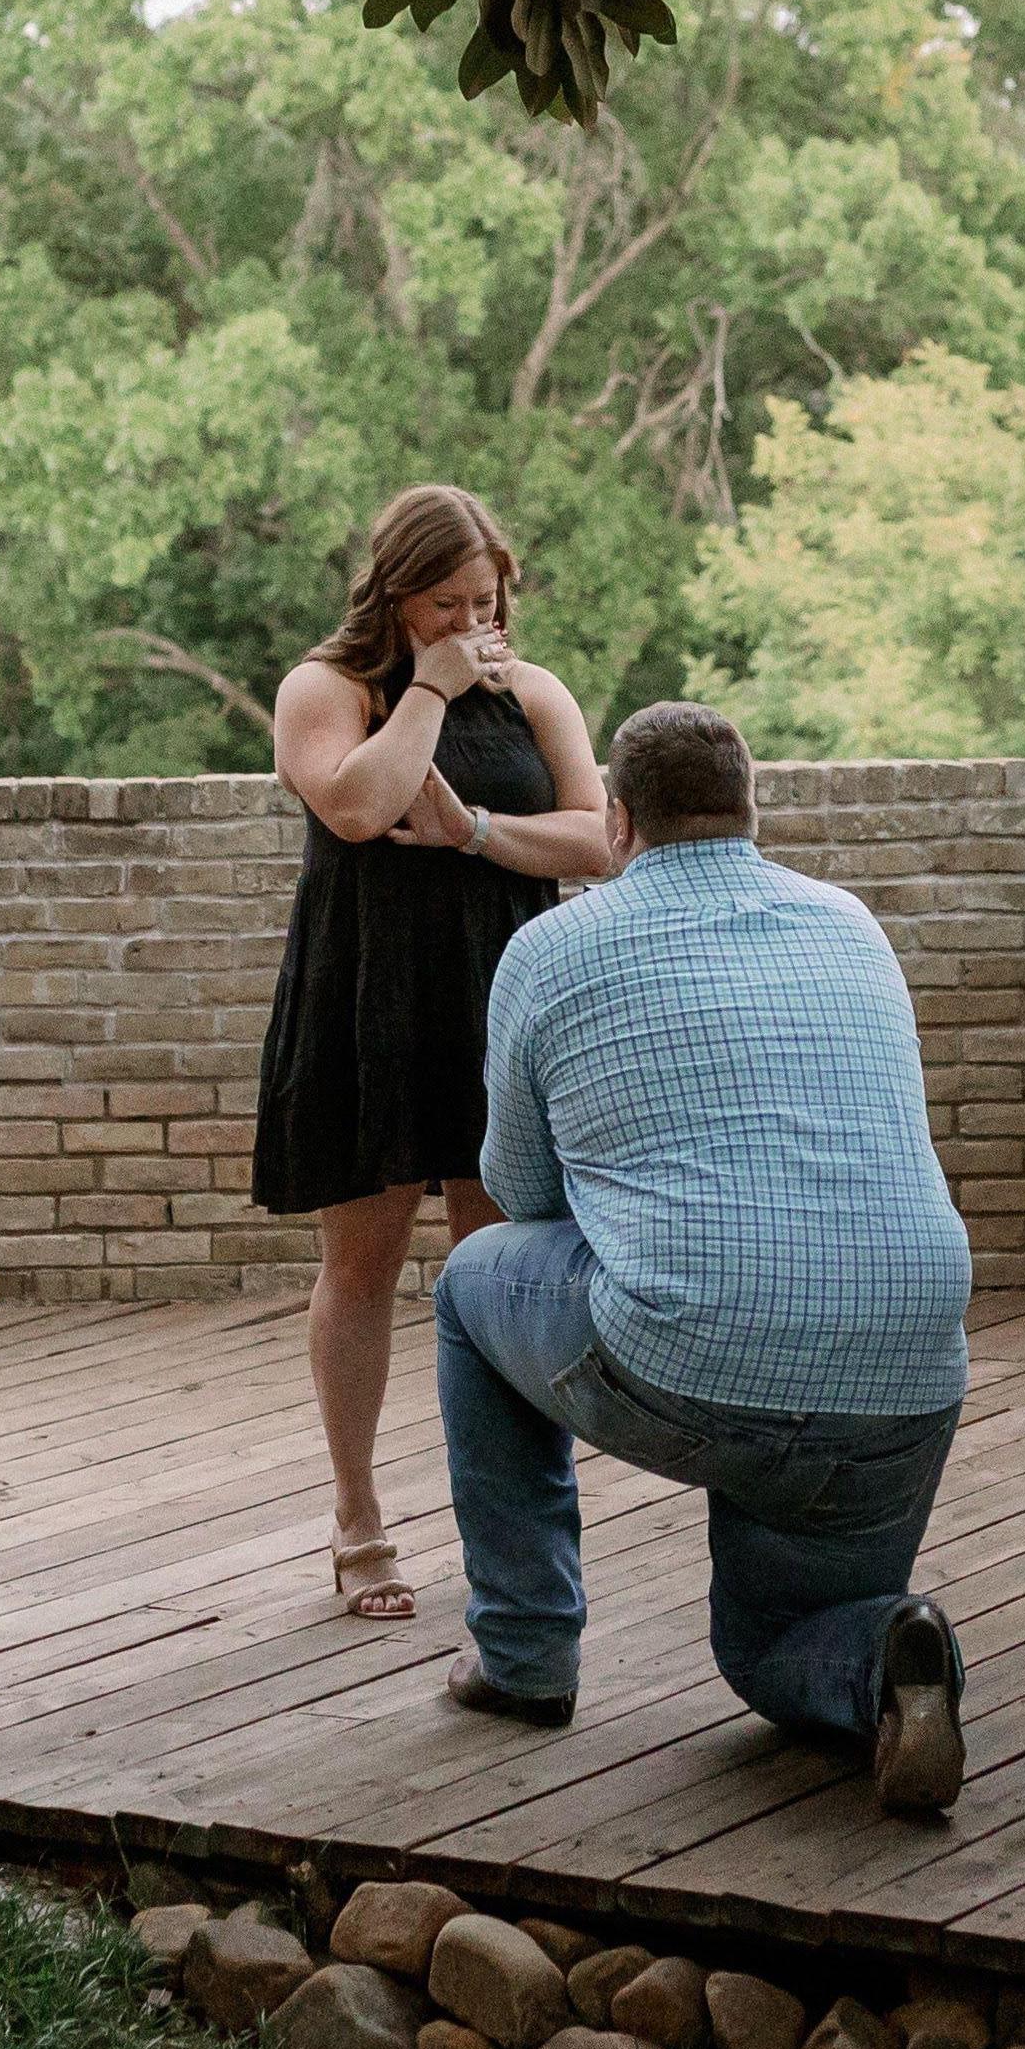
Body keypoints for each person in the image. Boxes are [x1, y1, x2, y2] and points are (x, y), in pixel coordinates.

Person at [431, 701, 975, 1816]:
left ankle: (525, 1654)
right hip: (904, 1371)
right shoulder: (849, 923)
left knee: (470, 1284)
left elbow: (523, 1199)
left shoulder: (551, 946)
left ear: (617, 820)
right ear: (749, 807)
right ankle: (892, 1656)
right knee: (775, 1643)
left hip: (688, 1362)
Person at [256, 484, 614, 1624]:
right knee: (360, 1266)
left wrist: (473, 833)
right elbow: (358, 806)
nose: (471, 621)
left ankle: (503, 1527)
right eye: (446, 602)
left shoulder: (537, 693)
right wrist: (428, 692)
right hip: (366, 993)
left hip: (502, 993)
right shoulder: (327, 687)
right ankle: (357, 1519)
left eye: (486, 598)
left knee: (498, 1270)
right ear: (395, 593)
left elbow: (597, 841)